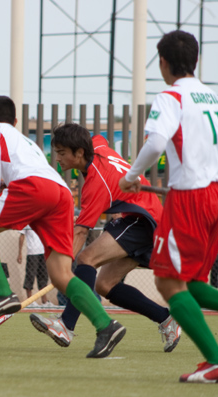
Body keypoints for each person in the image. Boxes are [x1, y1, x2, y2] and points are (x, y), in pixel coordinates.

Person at [118, 30, 218, 383]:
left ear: (163, 63)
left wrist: (132, 176)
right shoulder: (214, 98)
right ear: (196, 60)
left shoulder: (170, 96)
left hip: (190, 199)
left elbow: (155, 144)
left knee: (168, 282)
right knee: (194, 282)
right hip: (217, 196)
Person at [0, 95, 126, 359]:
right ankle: (106, 325)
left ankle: (3, 295)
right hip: (60, 194)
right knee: (61, 275)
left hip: (32, 187)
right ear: (15, 120)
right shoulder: (25, 142)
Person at [30, 123, 181, 352]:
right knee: (104, 284)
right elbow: (100, 138)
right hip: (148, 219)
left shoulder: (95, 185)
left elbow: (81, 232)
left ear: (79, 153)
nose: (57, 158)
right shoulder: (96, 146)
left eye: (61, 153)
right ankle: (165, 318)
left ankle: (65, 325)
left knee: (86, 258)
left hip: (143, 220)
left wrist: (62, 268)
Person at [17, 225, 51, 306]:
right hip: (32, 252)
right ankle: (30, 301)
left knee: (43, 276)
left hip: (43, 252)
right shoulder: (27, 220)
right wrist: (20, 253)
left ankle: (44, 301)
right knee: (30, 275)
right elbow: (22, 236)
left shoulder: (42, 218)